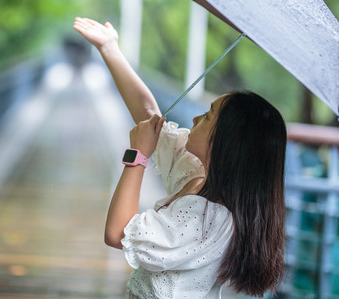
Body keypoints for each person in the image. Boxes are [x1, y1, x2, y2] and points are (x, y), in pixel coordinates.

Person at [73, 17, 287, 298]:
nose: (196, 117)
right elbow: (151, 118)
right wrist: (110, 48)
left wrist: (137, 156)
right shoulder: (198, 176)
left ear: (225, 143)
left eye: (208, 115)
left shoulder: (208, 217)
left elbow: (118, 233)